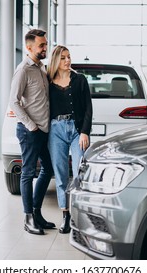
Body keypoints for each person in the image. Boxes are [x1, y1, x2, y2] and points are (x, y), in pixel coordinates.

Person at [9, 29, 56, 235]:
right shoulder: (23, 70)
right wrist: (31, 126)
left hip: (44, 129)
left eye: (46, 44)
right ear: (29, 48)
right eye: (41, 45)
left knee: (48, 169)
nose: (45, 48)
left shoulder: (42, 68)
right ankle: (28, 218)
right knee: (28, 173)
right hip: (30, 131)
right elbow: (14, 101)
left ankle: (36, 213)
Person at [47, 45, 92, 234]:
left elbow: (88, 108)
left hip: (76, 129)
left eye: (69, 57)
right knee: (61, 174)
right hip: (55, 130)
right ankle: (66, 216)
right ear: (56, 60)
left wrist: (85, 132)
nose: (67, 61)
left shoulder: (80, 80)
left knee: (79, 173)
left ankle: (80, 215)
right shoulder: (48, 82)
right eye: (63, 58)